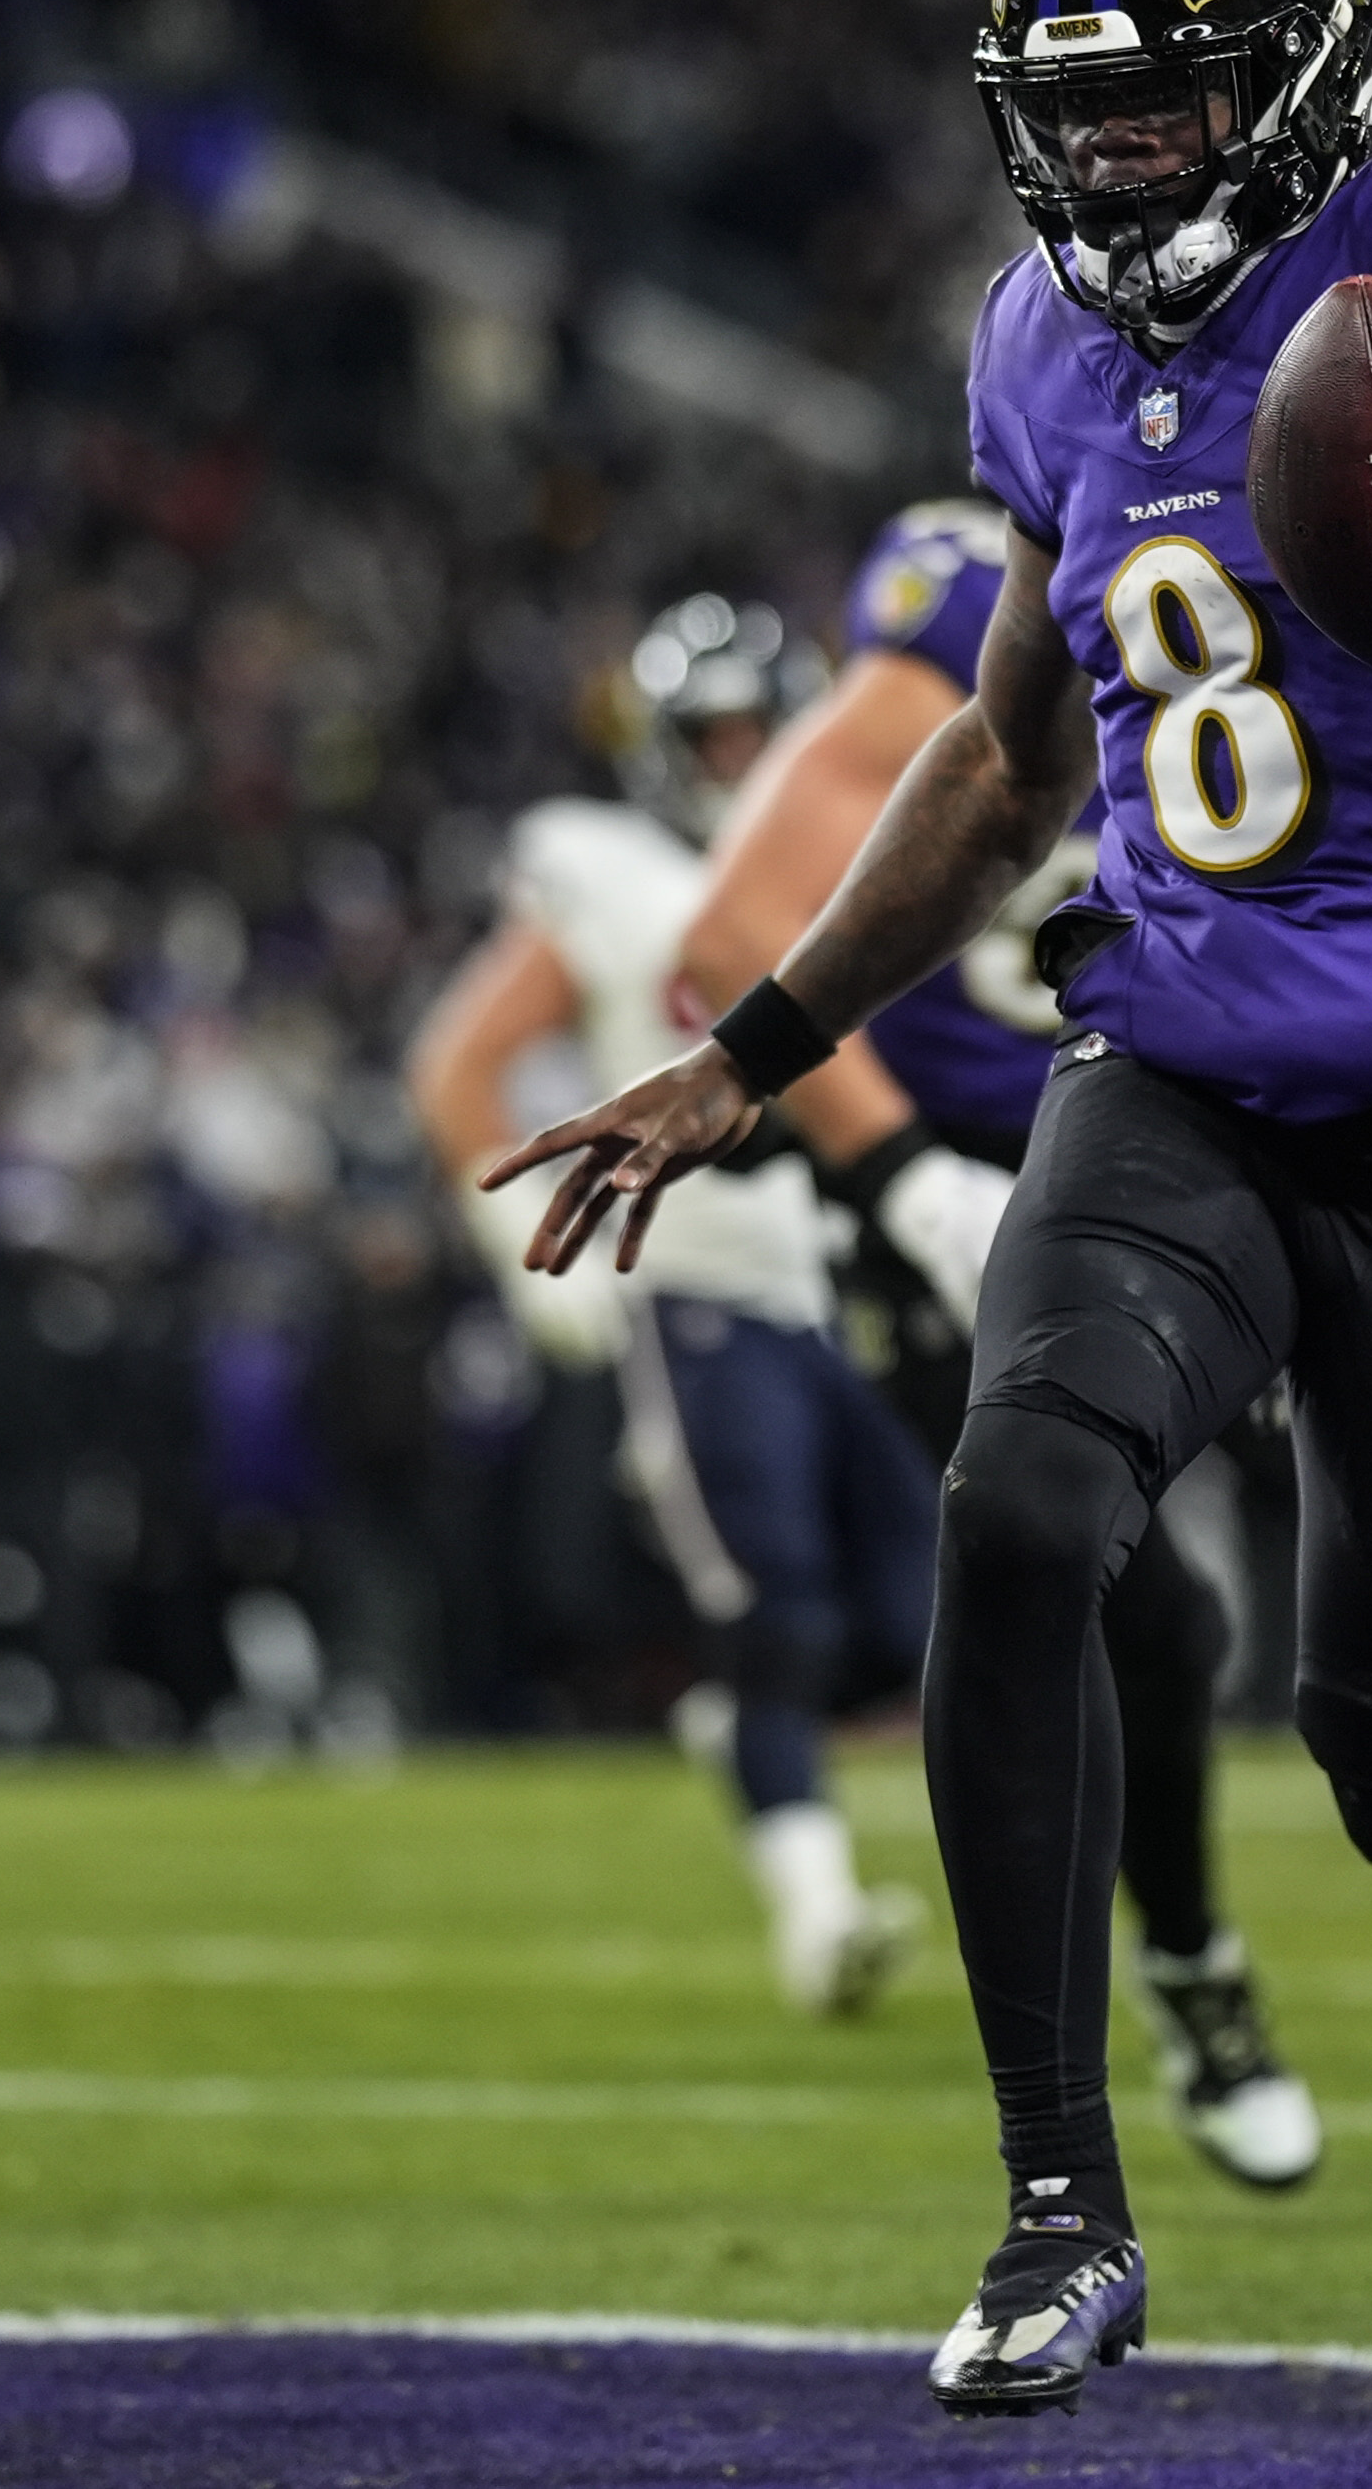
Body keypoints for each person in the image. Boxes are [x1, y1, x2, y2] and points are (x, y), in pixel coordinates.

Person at [481, 0, 1372, 2418]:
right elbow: (1012, 759)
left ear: (1298, 73)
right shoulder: (1038, 343)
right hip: (1181, 1049)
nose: (1121, 151)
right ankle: (1058, 2207)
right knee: (1023, 1506)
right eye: (1084, 110)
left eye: (1170, 100)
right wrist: (758, 1045)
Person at [673, 496, 1321, 2193]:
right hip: (970, 1202)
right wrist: (905, 1181)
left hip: (1194, 1147)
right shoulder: (980, 583)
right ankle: (1182, 1982)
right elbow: (729, 938)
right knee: (1139, 1614)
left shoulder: (1324, 535)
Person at [406, 599, 928, 2021]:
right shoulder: (610, 869)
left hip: (845, 1275)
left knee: (918, 1617)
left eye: (761, 730)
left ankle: (744, 1723)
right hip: (691, 1280)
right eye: (713, 736)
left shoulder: (858, 845)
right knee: (777, 1606)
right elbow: (459, 1067)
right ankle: (819, 1915)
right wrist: (519, 1242)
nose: (740, 758)